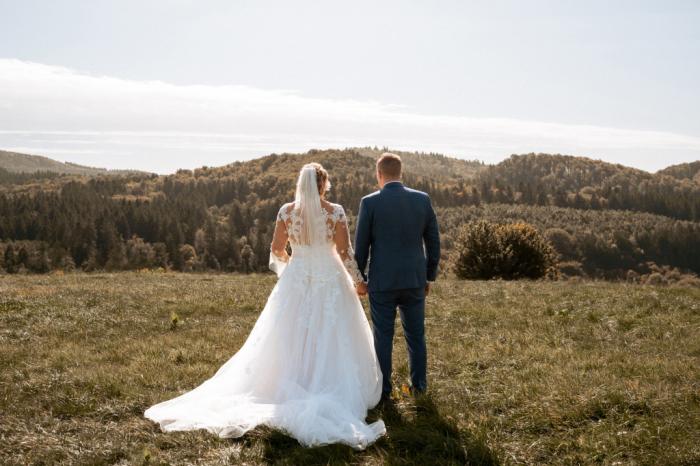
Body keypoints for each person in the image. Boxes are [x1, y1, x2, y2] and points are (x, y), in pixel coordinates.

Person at [144, 163, 386, 450]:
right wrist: (358, 281)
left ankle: (290, 381)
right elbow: (345, 252)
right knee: (331, 331)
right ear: (324, 185)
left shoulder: (286, 211)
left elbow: (275, 249)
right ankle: (324, 383)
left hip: (297, 276)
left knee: (291, 332)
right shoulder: (335, 212)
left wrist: (293, 268)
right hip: (329, 277)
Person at [354, 152, 441, 401]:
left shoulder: (370, 203)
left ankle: (384, 391)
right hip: (414, 279)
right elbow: (433, 242)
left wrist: (358, 278)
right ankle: (419, 388)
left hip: (382, 281)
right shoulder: (422, 200)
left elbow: (361, 247)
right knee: (416, 336)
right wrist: (428, 276)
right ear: (400, 173)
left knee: (383, 336)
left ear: (379, 174)